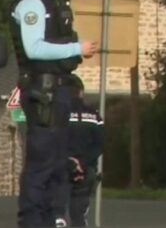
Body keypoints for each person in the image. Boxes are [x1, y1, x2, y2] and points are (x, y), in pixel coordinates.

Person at [10, 0, 99, 228]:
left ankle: (52, 221)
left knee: (58, 164)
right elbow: (34, 48)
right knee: (42, 166)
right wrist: (76, 47)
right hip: (42, 93)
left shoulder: (54, 3)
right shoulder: (32, 3)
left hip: (58, 92)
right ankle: (33, 223)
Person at [54, 75, 105, 227]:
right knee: (79, 215)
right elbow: (100, 145)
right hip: (86, 171)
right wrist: (81, 163)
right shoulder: (95, 116)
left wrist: (70, 161)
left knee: (57, 212)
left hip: (60, 168)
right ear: (81, 92)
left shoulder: (57, 115)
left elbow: (51, 142)